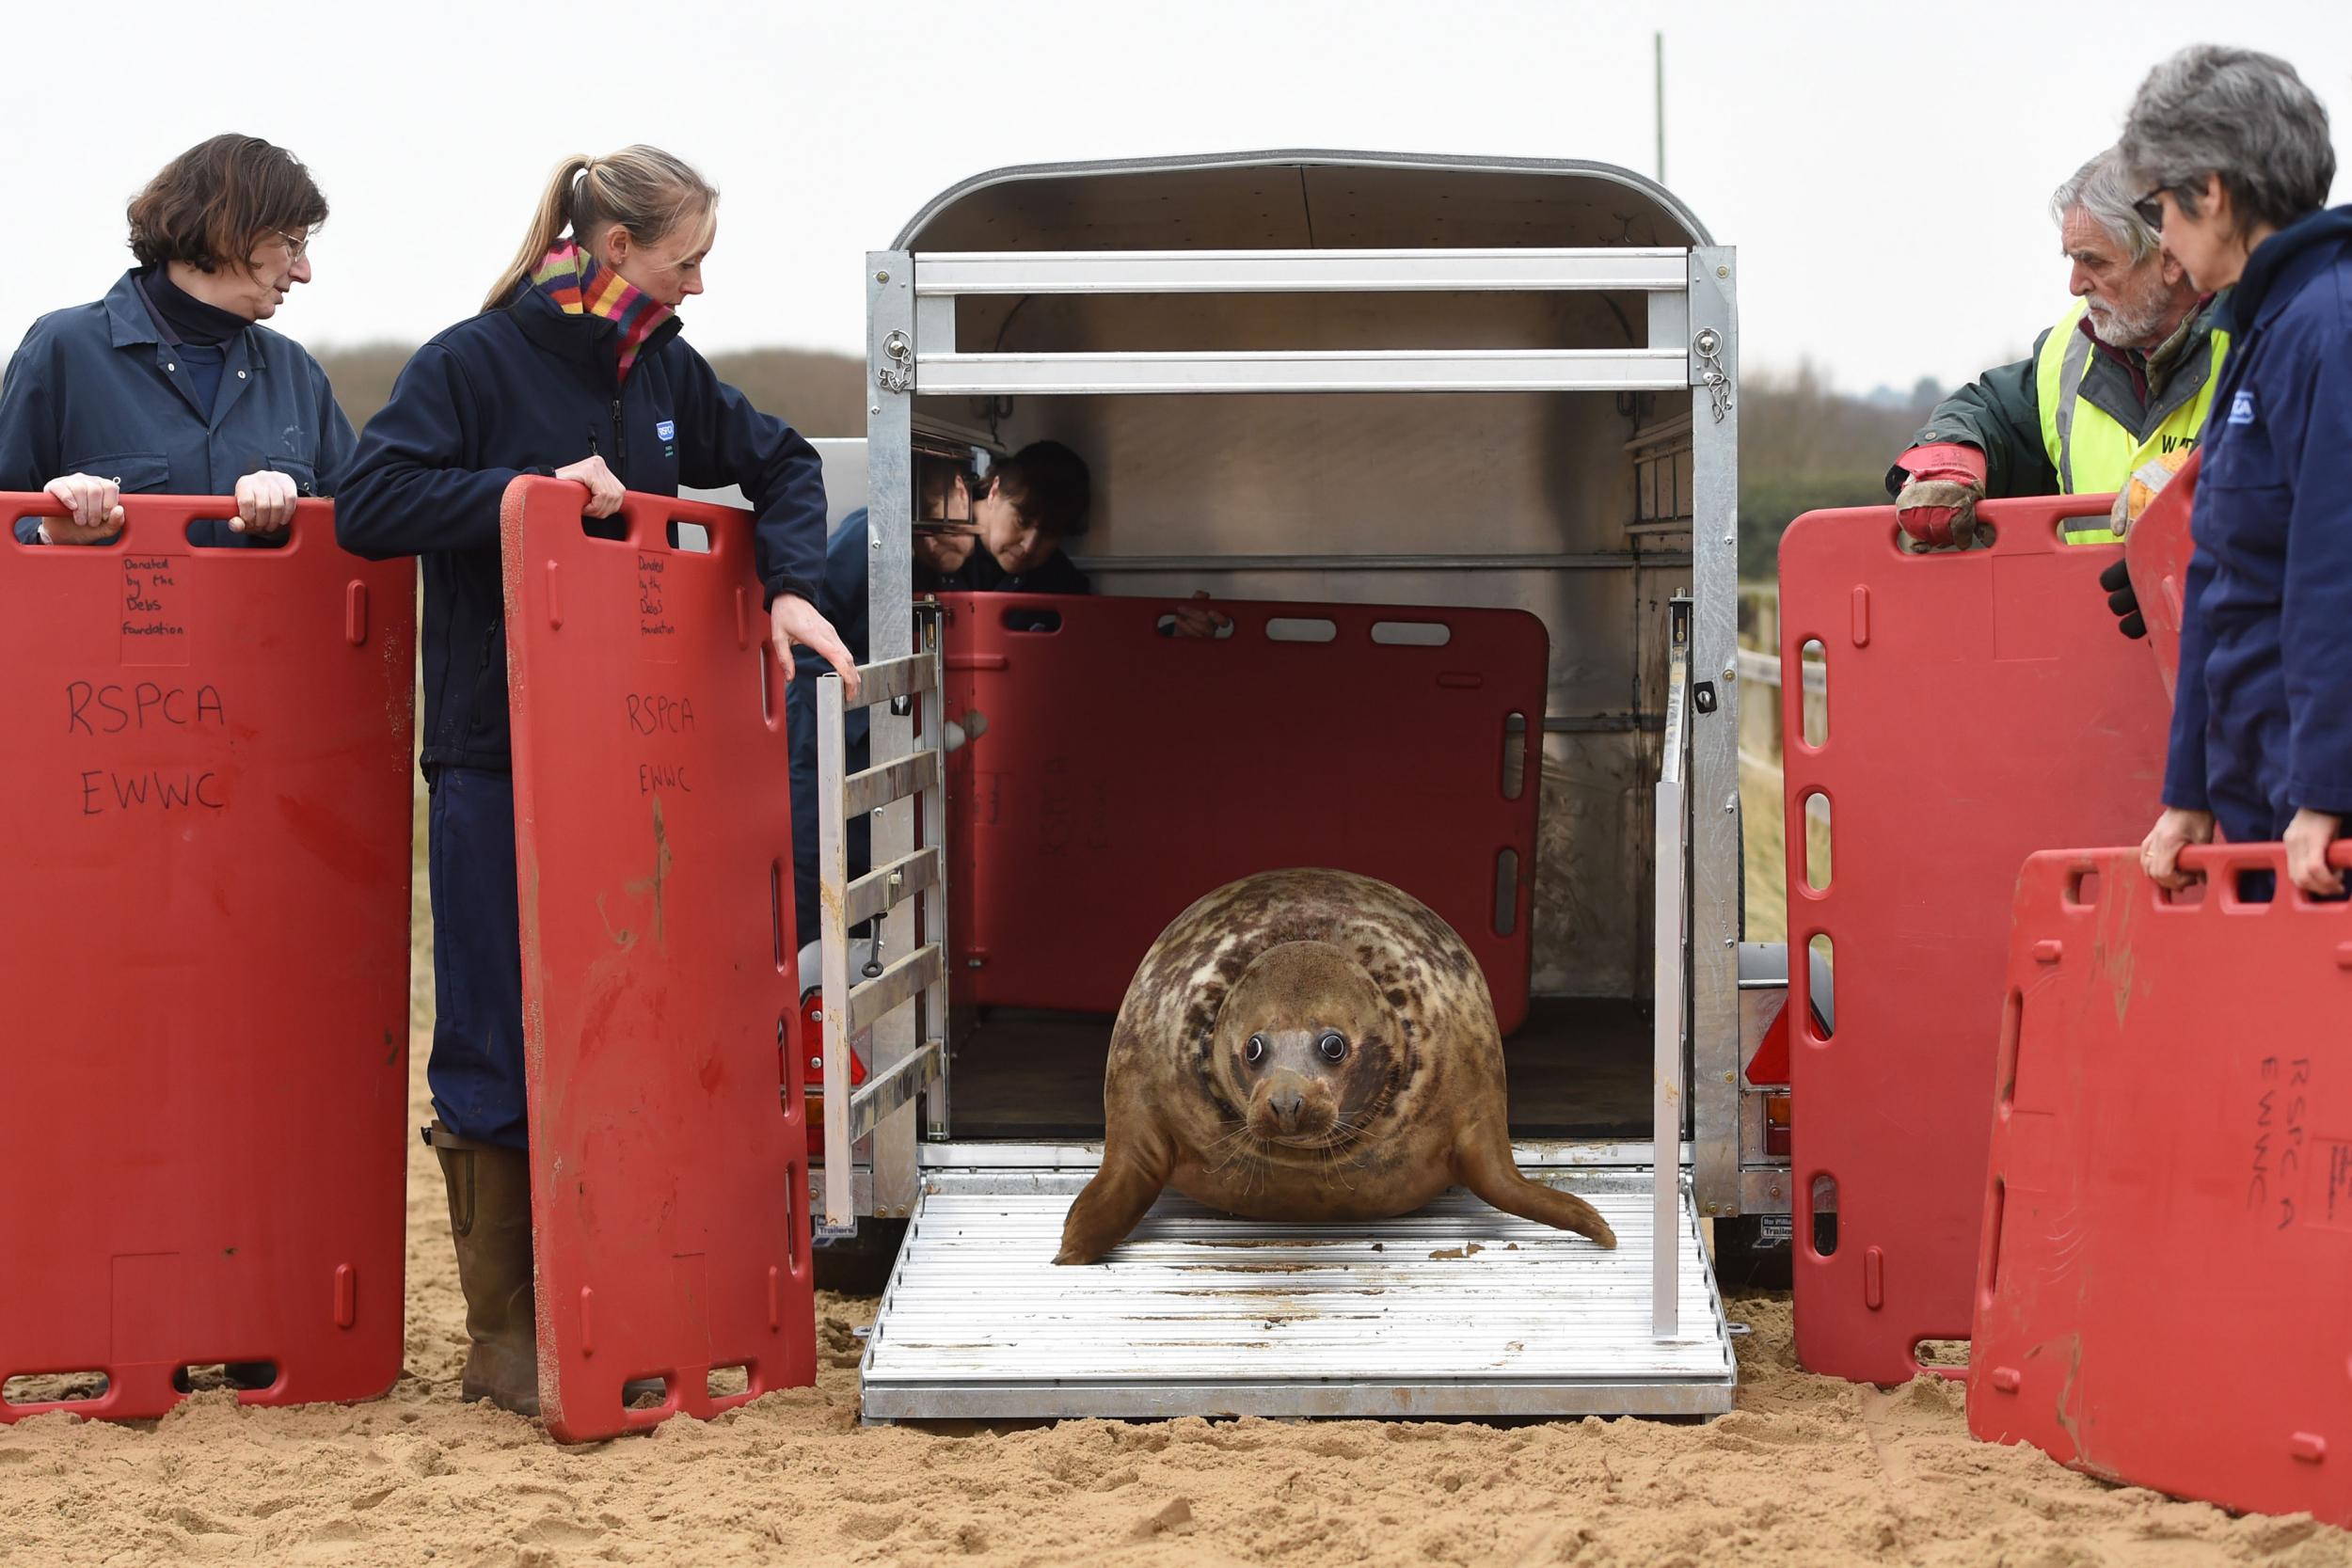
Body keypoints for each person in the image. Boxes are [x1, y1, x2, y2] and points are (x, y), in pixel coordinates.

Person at [335, 146, 857, 1417]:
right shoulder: (471, 359)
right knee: (494, 1031)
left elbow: (787, 464)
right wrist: (526, 495)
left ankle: (630, 1282)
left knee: (637, 1018)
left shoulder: (666, 368)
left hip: (636, 762)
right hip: (490, 756)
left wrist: (787, 583)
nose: (701, 284)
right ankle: (506, 1336)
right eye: (689, 259)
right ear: (616, 248)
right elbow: (371, 497)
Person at [2122, 46, 2350, 900]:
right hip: (2262, 800)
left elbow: (2337, 574)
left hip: (2315, 825)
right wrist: (2190, 791)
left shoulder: (2331, 328)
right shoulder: (2258, 332)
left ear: (2210, 193)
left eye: (2160, 208)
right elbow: (2225, 577)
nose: (2165, 240)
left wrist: (2329, 793)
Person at [0, 135, 353, 546]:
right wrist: (48, 533)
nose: (304, 270)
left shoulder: (298, 374)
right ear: (227, 230)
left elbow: (363, 528)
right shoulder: (60, 351)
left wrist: (302, 510)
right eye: (292, 244)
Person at [1889, 147, 2227, 548]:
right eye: (2072, 259)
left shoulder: (2269, 336)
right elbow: (1996, 414)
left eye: (2094, 262)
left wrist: (2199, 480)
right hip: (2093, 608)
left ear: (2171, 259)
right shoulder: (2071, 347)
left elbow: (2284, 451)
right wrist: (1948, 464)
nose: (2075, 284)